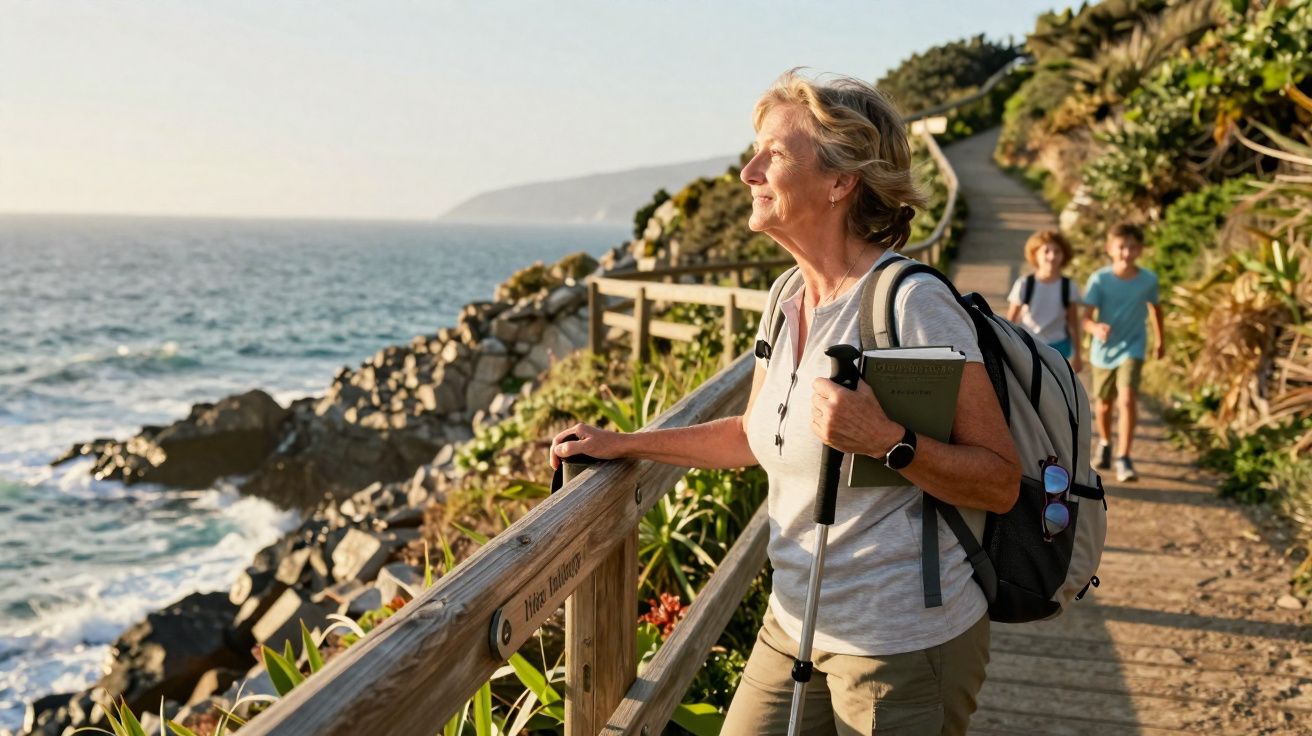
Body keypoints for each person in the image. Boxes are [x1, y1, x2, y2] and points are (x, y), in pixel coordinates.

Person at [550, 70, 1019, 735]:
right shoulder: (785, 299)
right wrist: (625, 444)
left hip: (900, 645)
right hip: (792, 623)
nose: (748, 171)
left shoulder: (910, 303)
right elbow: (752, 436)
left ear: (839, 181)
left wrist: (888, 441)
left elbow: (1000, 481)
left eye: (773, 153)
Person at [1082, 223, 1165, 483]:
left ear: (1140, 250)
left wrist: (1160, 341)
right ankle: (1105, 442)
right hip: (1104, 349)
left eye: (1132, 247)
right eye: (1121, 247)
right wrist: (1096, 328)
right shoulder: (1100, 279)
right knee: (1104, 405)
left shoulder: (1148, 280)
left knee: (1127, 400)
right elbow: (1085, 318)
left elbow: (1155, 309)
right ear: (1109, 248)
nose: (1126, 253)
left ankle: (1124, 457)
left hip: (1133, 345)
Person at [1005, 229, 1083, 372]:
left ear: (1064, 255)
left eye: (1057, 251)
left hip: (1059, 350)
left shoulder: (1068, 287)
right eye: (1046, 251)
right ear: (1035, 254)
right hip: (1029, 346)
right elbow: (1010, 321)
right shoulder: (1024, 284)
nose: (1052, 256)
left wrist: (1078, 355)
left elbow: (1073, 323)